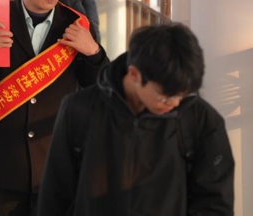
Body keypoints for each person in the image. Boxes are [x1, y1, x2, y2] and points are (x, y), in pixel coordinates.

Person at [0, 0, 108, 216]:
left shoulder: (75, 24)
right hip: (6, 160)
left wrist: (94, 52)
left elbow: (102, 88)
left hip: (56, 157)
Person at [38, 23, 235, 216]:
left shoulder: (200, 119)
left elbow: (215, 203)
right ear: (134, 74)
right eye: (166, 97)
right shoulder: (80, 109)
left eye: (182, 95)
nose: (175, 104)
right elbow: (55, 196)